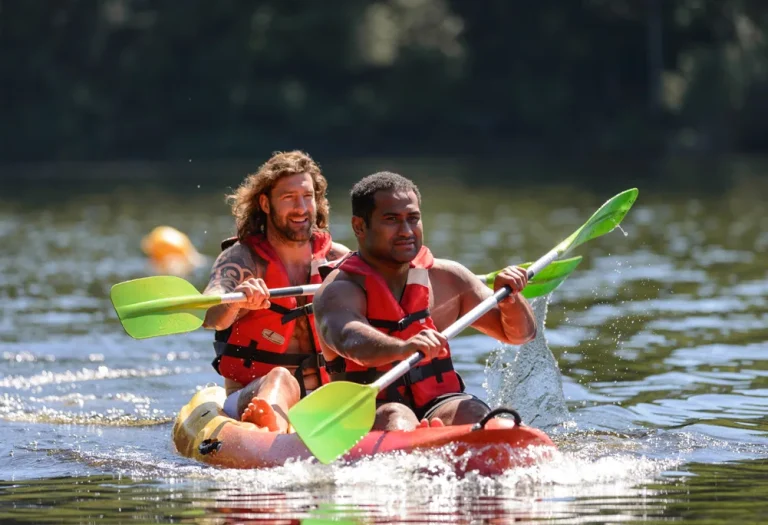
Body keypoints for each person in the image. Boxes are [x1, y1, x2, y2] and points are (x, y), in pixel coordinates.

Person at [312, 172, 537, 431]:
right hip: (370, 409)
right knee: (397, 417)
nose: (406, 231)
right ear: (359, 226)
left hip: (437, 402)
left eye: (413, 219)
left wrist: (512, 300)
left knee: (475, 412)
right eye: (391, 220)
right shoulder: (339, 289)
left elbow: (521, 334)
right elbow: (349, 339)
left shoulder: (448, 278)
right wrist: (402, 347)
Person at [202, 150, 349, 432]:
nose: (301, 207)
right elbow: (211, 315)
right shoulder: (242, 260)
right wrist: (237, 302)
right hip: (251, 393)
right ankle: (269, 429)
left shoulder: (338, 260)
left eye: (308, 197)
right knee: (280, 378)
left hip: (323, 397)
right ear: (265, 204)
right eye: (288, 198)